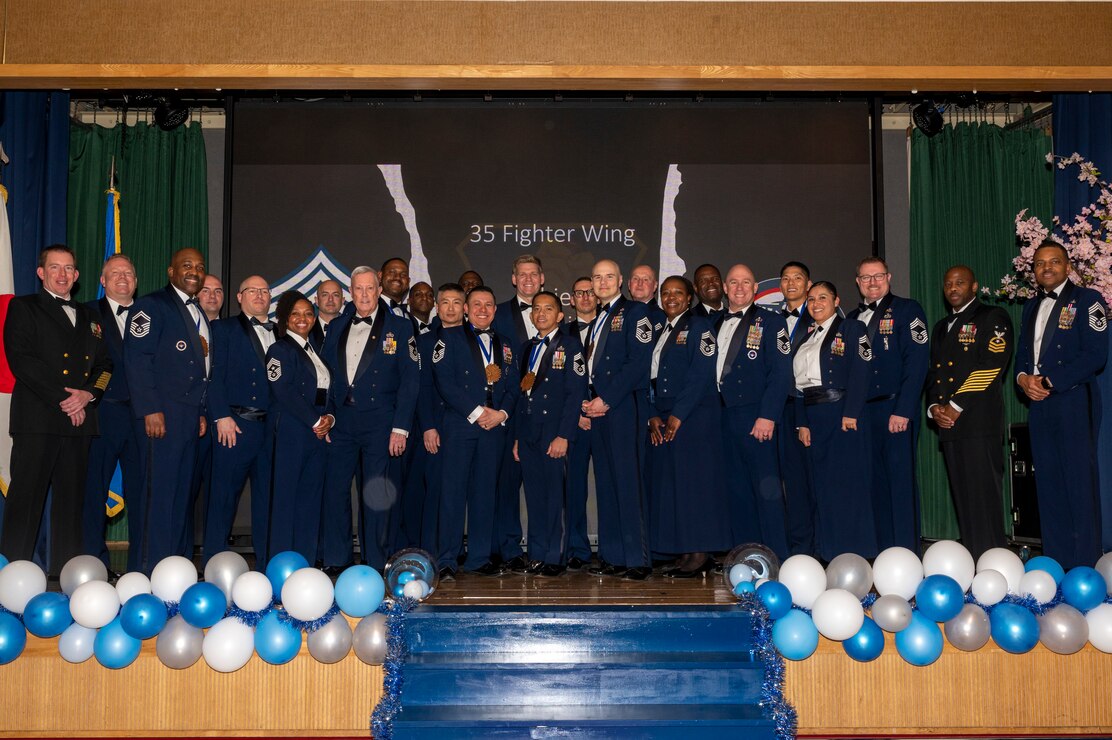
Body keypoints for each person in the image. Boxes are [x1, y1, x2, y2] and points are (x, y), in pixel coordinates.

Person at [2, 245, 112, 573]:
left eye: (68, 269)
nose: (62, 275)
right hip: (38, 419)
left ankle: (67, 583)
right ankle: (9, 580)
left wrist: (89, 395)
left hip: (79, 422)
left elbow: (105, 365)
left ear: (77, 276)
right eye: (55, 268)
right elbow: (22, 360)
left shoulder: (92, 316)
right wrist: (66, 399)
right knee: (25, 504)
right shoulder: (24, 308)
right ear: (41, 272)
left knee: (71, 509)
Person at [319, 266, 420, 573]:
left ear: (379, 291)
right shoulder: (336, 326)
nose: (363, 294)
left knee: (376, 493)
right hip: (342, 422)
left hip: (381, 422)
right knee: (335, 491)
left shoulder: (400, 328)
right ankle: (337, 558)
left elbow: (411, 380)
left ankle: (377, 561)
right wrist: (325, 415)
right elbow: (324, 374)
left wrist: (400, 427)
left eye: (369, 288)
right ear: (352, 292)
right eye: (358, 289)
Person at [1015, 241, 1108, 568]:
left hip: (1071, 399)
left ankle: (1085, 569)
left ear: (1068, 266)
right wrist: (1024, 378)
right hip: (1039, 405)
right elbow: (1023, 357)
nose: (1047, 268)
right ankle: (1056, 566)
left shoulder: (1088, 300)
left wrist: (1050, 380)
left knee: (1078, 483)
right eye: (1040, 263)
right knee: (1048, 484)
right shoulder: (1029, 307)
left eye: (1054, 262)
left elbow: (1096, 356)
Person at [123, 247, 210, 573]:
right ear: (170, 271)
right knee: (157, 498)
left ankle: (174, 572)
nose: (194, 271)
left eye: (200, 267)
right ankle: (148, 573)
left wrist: (200, 411)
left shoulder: (197, 311)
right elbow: (137, 358)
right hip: (161, 417)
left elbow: (198, 368)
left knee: (179, 499)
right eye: (187, 265)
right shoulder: (151, 306)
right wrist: (150, 409)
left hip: (188, 419)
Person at [431, 286, 520, 579]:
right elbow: (445, 382)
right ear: (466, 309)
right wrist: (477, 412)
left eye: (489, 305)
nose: (483, 309)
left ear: (495, 310)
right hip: (460, 425)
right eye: (477, 304)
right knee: (452, 493)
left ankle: (479, 557)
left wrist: (502, 414)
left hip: (494, 427)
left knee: (485, 494)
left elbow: (513, 385)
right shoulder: (448, 338)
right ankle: (447, 558)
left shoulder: (506, 343)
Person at [645, 277, 730, 577]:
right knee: (676, 486)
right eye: (665, 293)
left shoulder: (699, 327)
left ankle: (700, 552)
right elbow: (651, 377)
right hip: (667, 416)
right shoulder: (661, 330)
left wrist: (678, 414)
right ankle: (684, 551)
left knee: (696, 487)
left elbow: (700, 374)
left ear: (690, 298)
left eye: (677, 293)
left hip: (694, 418)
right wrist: (653, 413)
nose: (670, 298)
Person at [927, 266, 1013, 559]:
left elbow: (991, 365)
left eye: (960, 282)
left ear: (974, 287)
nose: (953, 288)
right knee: (964, 500)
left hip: (977, 423)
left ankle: (995, 565)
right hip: (949, 426)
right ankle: (974, 563)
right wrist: (934, 407)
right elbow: (935, 373)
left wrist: (954, 405)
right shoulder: (941, 327)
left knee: (983, 501)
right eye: (948, 283)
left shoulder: (992, 317)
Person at [846, 256, 929, 553]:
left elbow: (917, 363)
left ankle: (906, 554)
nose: (872, 282)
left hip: (895, 409)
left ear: (889, 277)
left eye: (877, 276)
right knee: (873, 485)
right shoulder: (851, 319)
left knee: (900, 484)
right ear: (857, 282)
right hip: (864, 414)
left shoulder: (908, 310)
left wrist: (904, 410)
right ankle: (882, 555)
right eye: (866, 277)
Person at [793, 281, 877, 561]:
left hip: (840, 412)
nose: (816, 303)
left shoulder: (852, 328)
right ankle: (826, 550)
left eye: (823, 297)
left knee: (846, 485)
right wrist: (801, 422)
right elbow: (798, 388)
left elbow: (861, 370)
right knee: (820, 487)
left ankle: (854, 552)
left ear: (836, 300)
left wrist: (851, 412)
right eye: (812, 298)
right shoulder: (805, 338)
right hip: (813, 414)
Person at [582, 259, 654, 580]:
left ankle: (636, 560)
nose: (602, 282)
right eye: (597, 277)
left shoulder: (635, 313)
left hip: (623, 406)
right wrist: (589, 400)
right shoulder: (599, 318)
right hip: (599, 409)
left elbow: (638, 363)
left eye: (609, 276)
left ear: (620, 280)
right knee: (608, 483)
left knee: (628, 483)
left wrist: (606, 399)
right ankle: (612, 555)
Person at [715, 263, 792, 560]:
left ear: (755, 288)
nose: (739, 288)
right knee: (736, 491)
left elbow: (780, 372)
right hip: (723, 416)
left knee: (767, 490)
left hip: (756, 415)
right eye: (733, 282)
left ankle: (778, 558)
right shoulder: (714, 324)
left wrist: (768, 415)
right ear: (725, 288)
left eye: (745, 282)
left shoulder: (771, 322)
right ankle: (746, 557)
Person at [513, 291, 588, 576]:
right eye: (536, 309)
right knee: (535, 497)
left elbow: (575, 393)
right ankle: (536, 553)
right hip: (530, 432)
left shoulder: (571, 346)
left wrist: (564, 435)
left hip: (555, 432)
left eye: (548, 309)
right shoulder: (525, 348)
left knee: (557, 497)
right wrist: (519, 437)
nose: (541, 313)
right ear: (531, 315)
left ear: (560, 315)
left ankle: (555, 557)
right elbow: (522, 396)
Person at [203, 275, 276, 568]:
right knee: (222, 500)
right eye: (252, 290)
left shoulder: (282, 332)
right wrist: (221, 415)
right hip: (235, 427)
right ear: (239, 296)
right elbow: (213, 375)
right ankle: (212, 567)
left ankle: (268, 567)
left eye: (264, 290)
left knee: (268, 503)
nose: (259, 295)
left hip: (270, 430)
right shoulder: (222, 329)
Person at [264, 291, 335, 562]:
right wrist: (316, 421)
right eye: (295, 313)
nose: (302, 318)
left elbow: (327, 392)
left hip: (316, 435)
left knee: (309, 502)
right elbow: (283, 390)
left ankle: (304, 564)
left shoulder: (315, 351)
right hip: (291, 433)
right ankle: (280, 567)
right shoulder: (279, 350)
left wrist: (329, 418)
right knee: (285, 502)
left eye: (308, 313)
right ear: (285, 318)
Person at [83, 254, 140, 573]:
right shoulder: (86, 312)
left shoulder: (151, 313)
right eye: (115, 273)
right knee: (93, 493)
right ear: (103, 281)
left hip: (144, 419)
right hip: (101, 414)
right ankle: (94, 565)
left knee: (142, 496)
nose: (122, 278)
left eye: (128, 273)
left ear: (136, 280)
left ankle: (140, 568)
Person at [490, 255, 545, 570]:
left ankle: (544, 550)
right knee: (506, 487)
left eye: (533, 274)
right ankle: (507, 549)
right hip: (509, 416)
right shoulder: (497, 315)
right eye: (521, 274)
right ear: (513, 279)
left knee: (544, 489)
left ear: (542, 278)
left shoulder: (558, 317)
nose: (527, 279)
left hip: (543, 419)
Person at [415, 284, 467, 551]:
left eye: (456, 302)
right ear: (437, 305)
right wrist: (428, 426)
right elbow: (422, 388)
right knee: (435, 488)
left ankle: (454, 551)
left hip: (468, 426)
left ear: (464, 307)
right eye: (445, 302)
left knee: (462, 491)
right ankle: (431, 551)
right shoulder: (424, 341)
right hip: (437, 425)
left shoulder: (476, 339)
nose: (450, 308)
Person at [777, 261, 816, 556]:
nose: (791, 283)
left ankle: (813, 546)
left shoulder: (821, 315)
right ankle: (793, 545)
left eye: (798, 278)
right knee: (786, 480)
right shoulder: (772, 319)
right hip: (778, 407)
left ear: (808, 283)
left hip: (808, 407)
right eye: (786, 279)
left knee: (808, 478)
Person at [563, 275, 597, 569]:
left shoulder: (614, 328)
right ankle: (577, 548)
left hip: (609, 417)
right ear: (571, 299)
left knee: (612, 488)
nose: (585, 297)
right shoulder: (562, 334)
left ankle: (613, 550)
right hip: (576, 422)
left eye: (590, 292)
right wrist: (577, 414)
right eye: (579, 293)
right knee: (574, 488)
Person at [310, 278, 344, 348]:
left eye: (336, 295)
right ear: (316, 301)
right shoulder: (306, 330)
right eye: (325, 295)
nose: (330, 299)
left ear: (342, 301)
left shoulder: (353, 328)